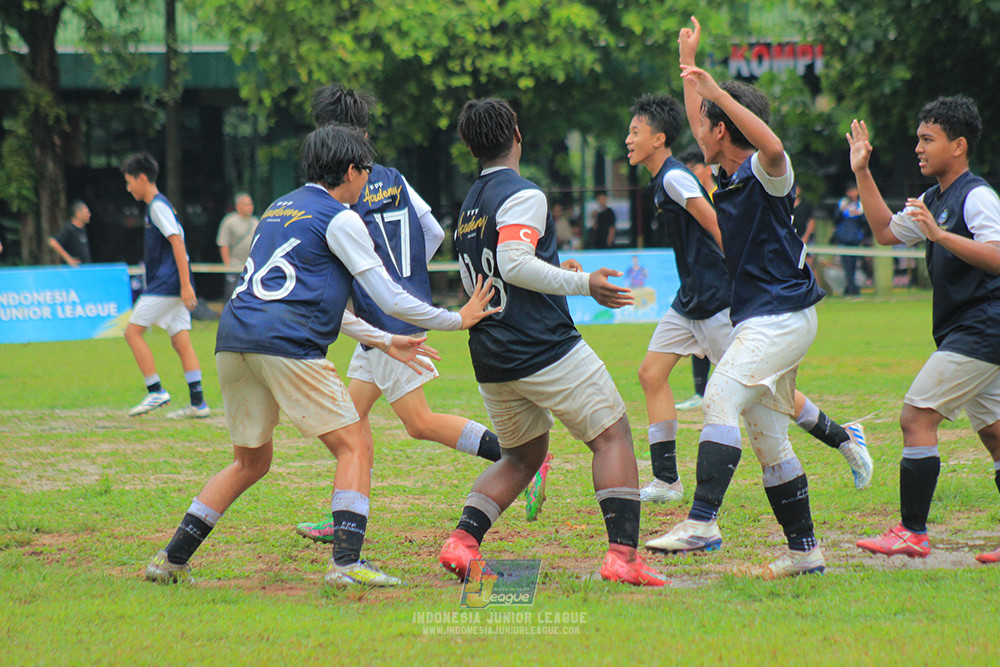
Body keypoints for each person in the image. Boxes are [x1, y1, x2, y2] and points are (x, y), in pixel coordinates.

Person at [144, 124, 497, 588]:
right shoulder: (341, 217)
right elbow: (389, 296)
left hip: (233, 341)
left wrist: (386, 341)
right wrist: (456, 318)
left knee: (249, 462)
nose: (369, 183)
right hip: (286, 345)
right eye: (366, 173)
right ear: (350, 170)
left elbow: (308, 298)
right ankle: (347, 563)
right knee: (354, 444)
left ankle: (170, 559)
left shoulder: (278, 208)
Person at [292, 84, 538, 542]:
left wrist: (385, 288)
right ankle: (345, 512)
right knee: (352, 416)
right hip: (385, 316)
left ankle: (520, 458)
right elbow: (430, 231)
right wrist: (405, 277)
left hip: (385, 319)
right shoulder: (392, 176)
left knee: (418, 422)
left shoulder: (344, 187)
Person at [645, 17, 844, 579]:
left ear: (724, 128)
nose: (697, 128)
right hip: (764, 318)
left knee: (719, 400)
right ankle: (805, 552)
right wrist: (688, 65)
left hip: (782, 319)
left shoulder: (766, 171)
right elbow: (698, 118)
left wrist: (714, 92)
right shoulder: (722, 170)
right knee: (767, 438)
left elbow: (773, 143)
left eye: (708, 122)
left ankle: (703, 520)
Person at [439, 97, 665, 587]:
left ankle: (462, 542)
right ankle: (623, 557)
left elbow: (497, 271)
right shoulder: (524, 193)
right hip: (541, 345)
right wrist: (586, 286)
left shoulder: (468, 207)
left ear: (473, 148)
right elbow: (515, 263)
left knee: (522, 456)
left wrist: (556, 272)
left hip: (492, 353)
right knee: (612, 435)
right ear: (516, 135)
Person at [627, 92, 871, 509]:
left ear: (659, 138)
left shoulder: (674, 177)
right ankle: (666, 480)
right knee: (651, 374)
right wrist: (689, 68)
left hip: (719, 300)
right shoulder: (662, 176)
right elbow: (700, 119)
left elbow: (717, 226)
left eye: (634, 131)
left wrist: (741, 274)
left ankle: (843, 436)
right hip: (690, 300)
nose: (627, 139)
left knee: (768, 395)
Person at [847, 96, 1000, 564]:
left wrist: (940, 236)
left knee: (916, 418)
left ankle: (912, 532)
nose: (918, 147)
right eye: (918, 138)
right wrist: (862, 171)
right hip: (966, 330)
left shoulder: (976, 196)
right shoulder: (932, 200)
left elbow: (996, 256)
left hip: (983, 327)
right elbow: (885, 233)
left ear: (958, 145)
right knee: (996, 436)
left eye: (927, 139)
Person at [121, 153, 210, 420]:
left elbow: (178, 242)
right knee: (181, 341)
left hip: (167, 285)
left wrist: (185, 285)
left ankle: (155, 390)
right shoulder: (159, 207)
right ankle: (198, 402)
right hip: (173, 284)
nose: (128, 188)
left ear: (142, 178)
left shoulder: (157, 207)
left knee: (132, 333)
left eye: (129, 182)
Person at [216, 192, 258, 300]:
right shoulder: (229, 221)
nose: (250, 207)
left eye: (251, 204)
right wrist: (227, 265)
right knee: (232, 293)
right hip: (234, 266)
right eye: (246, 205)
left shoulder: (256, 222)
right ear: (238, 206)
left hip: (251, 266)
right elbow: (223, 244)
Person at [834, 185, 867, 295]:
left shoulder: (861, 205)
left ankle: (851, 286)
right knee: (846, 264)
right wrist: (842, 210)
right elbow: (836, 219)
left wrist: (860, 215)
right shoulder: (842, 203)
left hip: (855, 239)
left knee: (854, 264)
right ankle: (850, 287)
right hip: (844, 238)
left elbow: (865, 222)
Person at [48, 201, 92, 266]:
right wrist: (69, 259)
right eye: (87, 212)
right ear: (78, 214)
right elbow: (53, 242)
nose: (89, 214)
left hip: (84, 269)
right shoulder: (70, 229)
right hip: (73, 271)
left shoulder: (83, 229)